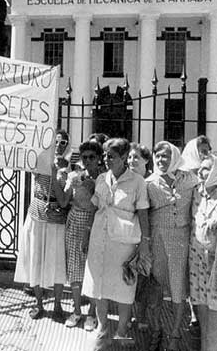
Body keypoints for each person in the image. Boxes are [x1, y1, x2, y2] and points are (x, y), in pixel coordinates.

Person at [82, 138, 150, 345]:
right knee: (99, 285)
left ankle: (121, 331)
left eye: (110, 156)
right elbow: (94, 207)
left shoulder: (138, 182)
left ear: (123, 158)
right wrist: (86, 233)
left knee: (124, 288)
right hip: (99, 238)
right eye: (104, 155)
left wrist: (145, 243)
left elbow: (143, 214)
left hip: (123, 242)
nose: (106, 159)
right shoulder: (102, 178)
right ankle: (103, 330)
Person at [146, 141, 198, 351]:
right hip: (158, 238)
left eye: (165, 156)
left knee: (178, 287)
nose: (161, 160)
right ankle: (156, 329)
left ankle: (175, 334)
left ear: (175, 157)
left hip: (180, 239)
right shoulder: (149, 182)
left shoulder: (189, 179)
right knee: (156, 286)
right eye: (158, 156)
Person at [14, 130, 70, 322]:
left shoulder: (69, 167)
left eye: (64, 143)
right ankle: (38, 303)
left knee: (56, 261)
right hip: (37, 214)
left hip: (56, 217)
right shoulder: (40, 161)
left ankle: (57, 305)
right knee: (35, 258)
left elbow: (65, 195)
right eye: (57, 142)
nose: (60, 146)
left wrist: (58, 172)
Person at [53, 140, 103, 329]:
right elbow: (64, 201)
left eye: (92, 157)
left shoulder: (105, 179)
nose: (88, 160)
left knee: (93, 267)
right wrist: (61, 180)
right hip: (75, 222)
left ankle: (91, 313)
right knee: (74, 267)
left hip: (96, 224)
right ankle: (76, 311)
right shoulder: (75, 175)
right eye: (85, 157)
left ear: (98, 158)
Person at [189, 155, 217, 351]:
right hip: (197, 259)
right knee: (202, 311)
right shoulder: (197, 192)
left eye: (206, 168)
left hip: (214, 262)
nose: (200, 172)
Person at [127, 142, 153, 331]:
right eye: (129, 157)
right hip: (128, 234)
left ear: (146, 160)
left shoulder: (151, 182)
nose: (131, 160)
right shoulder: (126, 180)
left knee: (144, 277)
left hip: (146, 235)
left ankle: (141, 315)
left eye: (136, 157)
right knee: (127, 275)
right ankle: (126, 315)